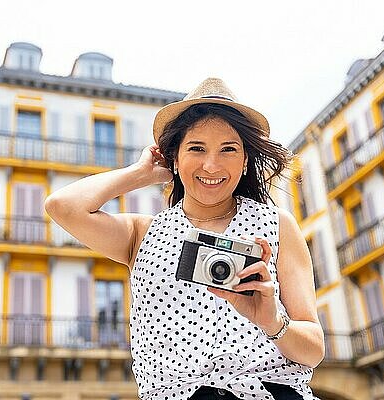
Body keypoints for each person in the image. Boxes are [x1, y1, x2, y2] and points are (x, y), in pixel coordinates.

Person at [45, 77, 324, 400]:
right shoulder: (142, 234)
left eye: (229, 149)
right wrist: (140, 174)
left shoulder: (276, 224)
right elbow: (62, 207)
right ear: (173, 159)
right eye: (196, 148)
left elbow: (313, 350)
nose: (211, 164)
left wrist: (273, 321)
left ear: (245, 160)